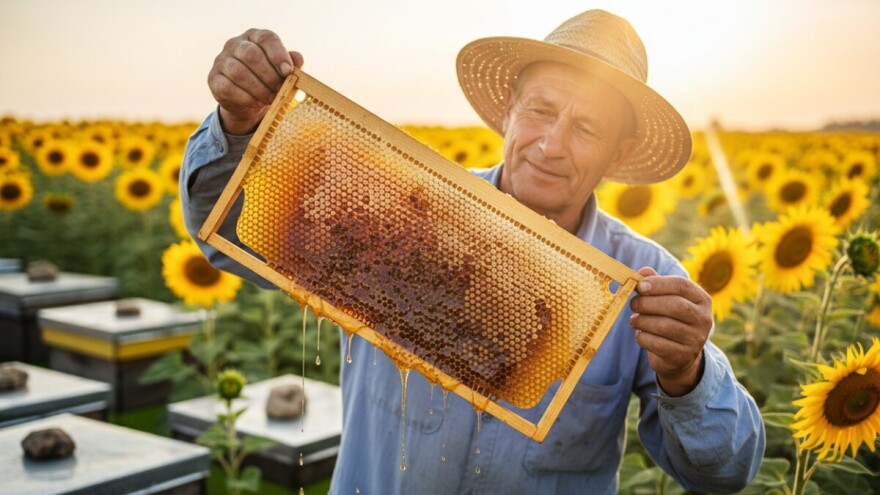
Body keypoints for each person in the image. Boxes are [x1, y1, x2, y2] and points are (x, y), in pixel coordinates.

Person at [181, 9, 765, 494]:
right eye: (540, 110)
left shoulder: (643, 281)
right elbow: (230, 237)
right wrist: (238, 125)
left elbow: (724, 472)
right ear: (509, 108)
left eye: (586, 128)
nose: (552, 144)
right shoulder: (398, 206)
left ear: (619, 154)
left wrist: (688, 374)